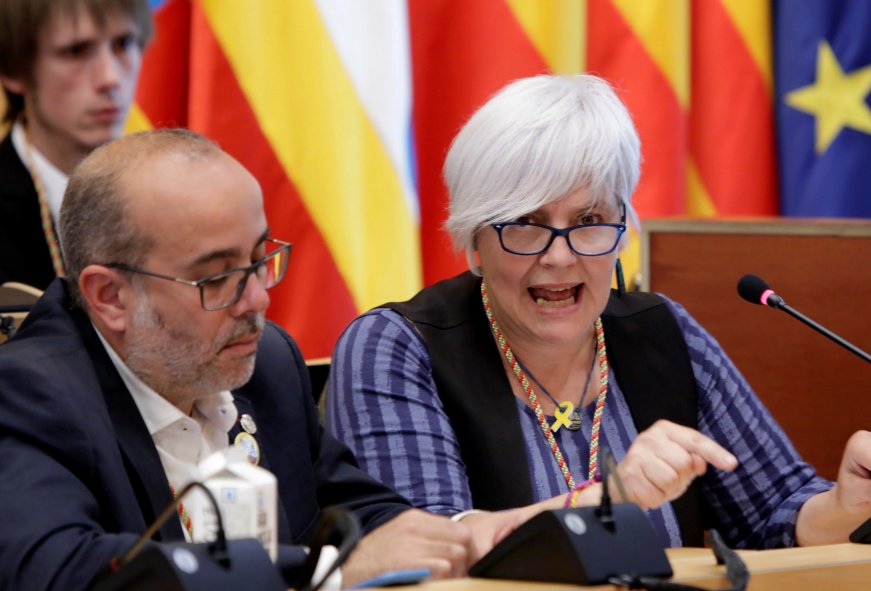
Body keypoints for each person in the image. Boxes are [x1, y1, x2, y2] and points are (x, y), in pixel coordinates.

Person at [327, 74, 871, 549]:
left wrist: (848, 507)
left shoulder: (662, 332)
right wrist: (608, 497)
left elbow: (775, 513)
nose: (560, 259)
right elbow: (427, 552)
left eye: (589, 223)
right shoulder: (396, 346)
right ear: (473, 242)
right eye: (527, 226)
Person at [0, 129, 521, 591]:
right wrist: (327, 573)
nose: (258, 300)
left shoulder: (267, 362)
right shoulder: (26, 395)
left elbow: (355, 512)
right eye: (217, 278)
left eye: (258, 259)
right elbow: (61, 570)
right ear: (110, 296)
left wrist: (467, 532)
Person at [0, 0, 149, 289]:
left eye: (124, 43)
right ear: (13, 70)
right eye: (76, 51)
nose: (110, 78)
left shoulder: (168, 193)